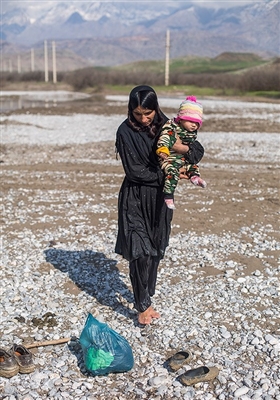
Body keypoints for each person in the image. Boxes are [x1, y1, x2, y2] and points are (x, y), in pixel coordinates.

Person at [115, 85, 189, 325]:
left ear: (155, 108)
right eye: (138, 114)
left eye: (148, 113)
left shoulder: (171, 127)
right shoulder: (124, 132)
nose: (144, 119)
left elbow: (196, 151)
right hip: (135, 197)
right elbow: (135, 172)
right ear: (130, 110)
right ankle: (142, 306)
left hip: (160, 198)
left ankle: (147, 295)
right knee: (140, 251)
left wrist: (182, 149)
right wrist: (171, 173)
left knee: (156, 248)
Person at [156, 95, 206, 210]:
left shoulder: (190, 131)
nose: (194, 125)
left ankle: (195, 177)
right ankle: (168, 196)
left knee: (193, 166)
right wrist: (163, 149)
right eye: (191, 121)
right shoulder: (171, 126)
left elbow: (195, 148)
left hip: (182, 159)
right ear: (181, 119)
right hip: (168, 159)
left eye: (197, 123)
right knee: (172, 173)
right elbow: (164, 137)